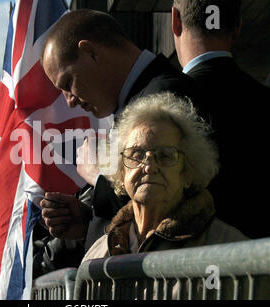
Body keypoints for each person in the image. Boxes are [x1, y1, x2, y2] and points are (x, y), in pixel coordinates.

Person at [39, 9, 205, 251]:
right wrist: (87, 219)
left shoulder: (164, 99)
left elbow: (165, 206)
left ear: (91, 52)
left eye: (67, 83)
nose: (69, 101)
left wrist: (99, 175)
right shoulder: (143, 98)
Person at [82, 92, 248, 263]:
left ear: (188, 173)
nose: (148, 167)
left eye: (166, 155)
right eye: (136, 154)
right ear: (121, 172)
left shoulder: (229, 251)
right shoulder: (98, 254)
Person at [171, 0, 270, 238]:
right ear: (237, 28)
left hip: (196, 263)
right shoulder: (264, 98)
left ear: (175, 20)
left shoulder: (169, 104)